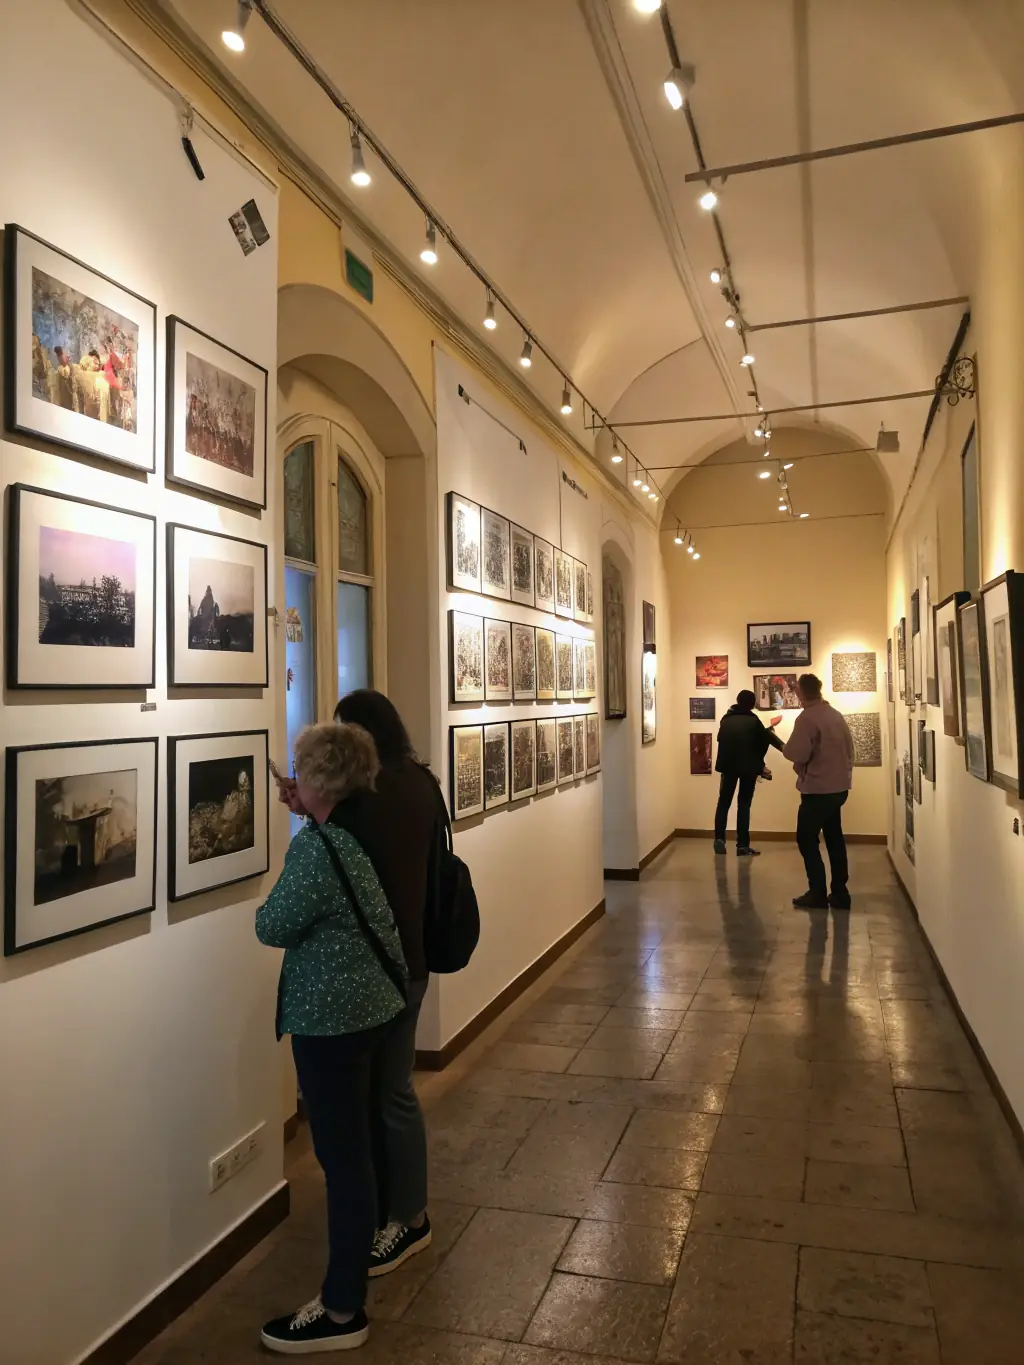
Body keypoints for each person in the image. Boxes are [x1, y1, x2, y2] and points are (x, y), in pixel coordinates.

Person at [277, 689, 442, 1279]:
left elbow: (333, 869)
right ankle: (405, 1214)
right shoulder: (423, 783)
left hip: (371, 970)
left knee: (380, 1099)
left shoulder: (361, 805)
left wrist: (309, 809)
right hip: (413, 958)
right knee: (393, 1092)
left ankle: (400, 1221)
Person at [257, 721, 408, 1355]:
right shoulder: (343, 834)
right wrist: (306, 814)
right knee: (356, 1155)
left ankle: (343, 1309)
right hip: (371, 1011)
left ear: (319, 777)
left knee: (342, 1163)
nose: (292, 777)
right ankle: (354, 1274)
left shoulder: (315, 852)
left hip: (332, 1025)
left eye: (301, 768)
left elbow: (272, 925)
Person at [783, 673, 855, 910]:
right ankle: (840, 893)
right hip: (838, 788)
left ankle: (817, 891)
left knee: (806, 838)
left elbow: (795, 753)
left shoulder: (807, 719)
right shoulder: (835, 715)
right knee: (834, 837)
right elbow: (850, 749)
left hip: (817, 789)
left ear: (801, 692)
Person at [713, 689, 784, 856]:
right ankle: (742, 845)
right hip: (747, 769)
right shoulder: (753, 721)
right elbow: (763, 740)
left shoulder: (726, 719)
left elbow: (720, 739)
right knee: (743, 805)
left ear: (737, 701)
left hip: (728, 767)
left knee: (723, 803)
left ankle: (719, 838)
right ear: (752, 704)